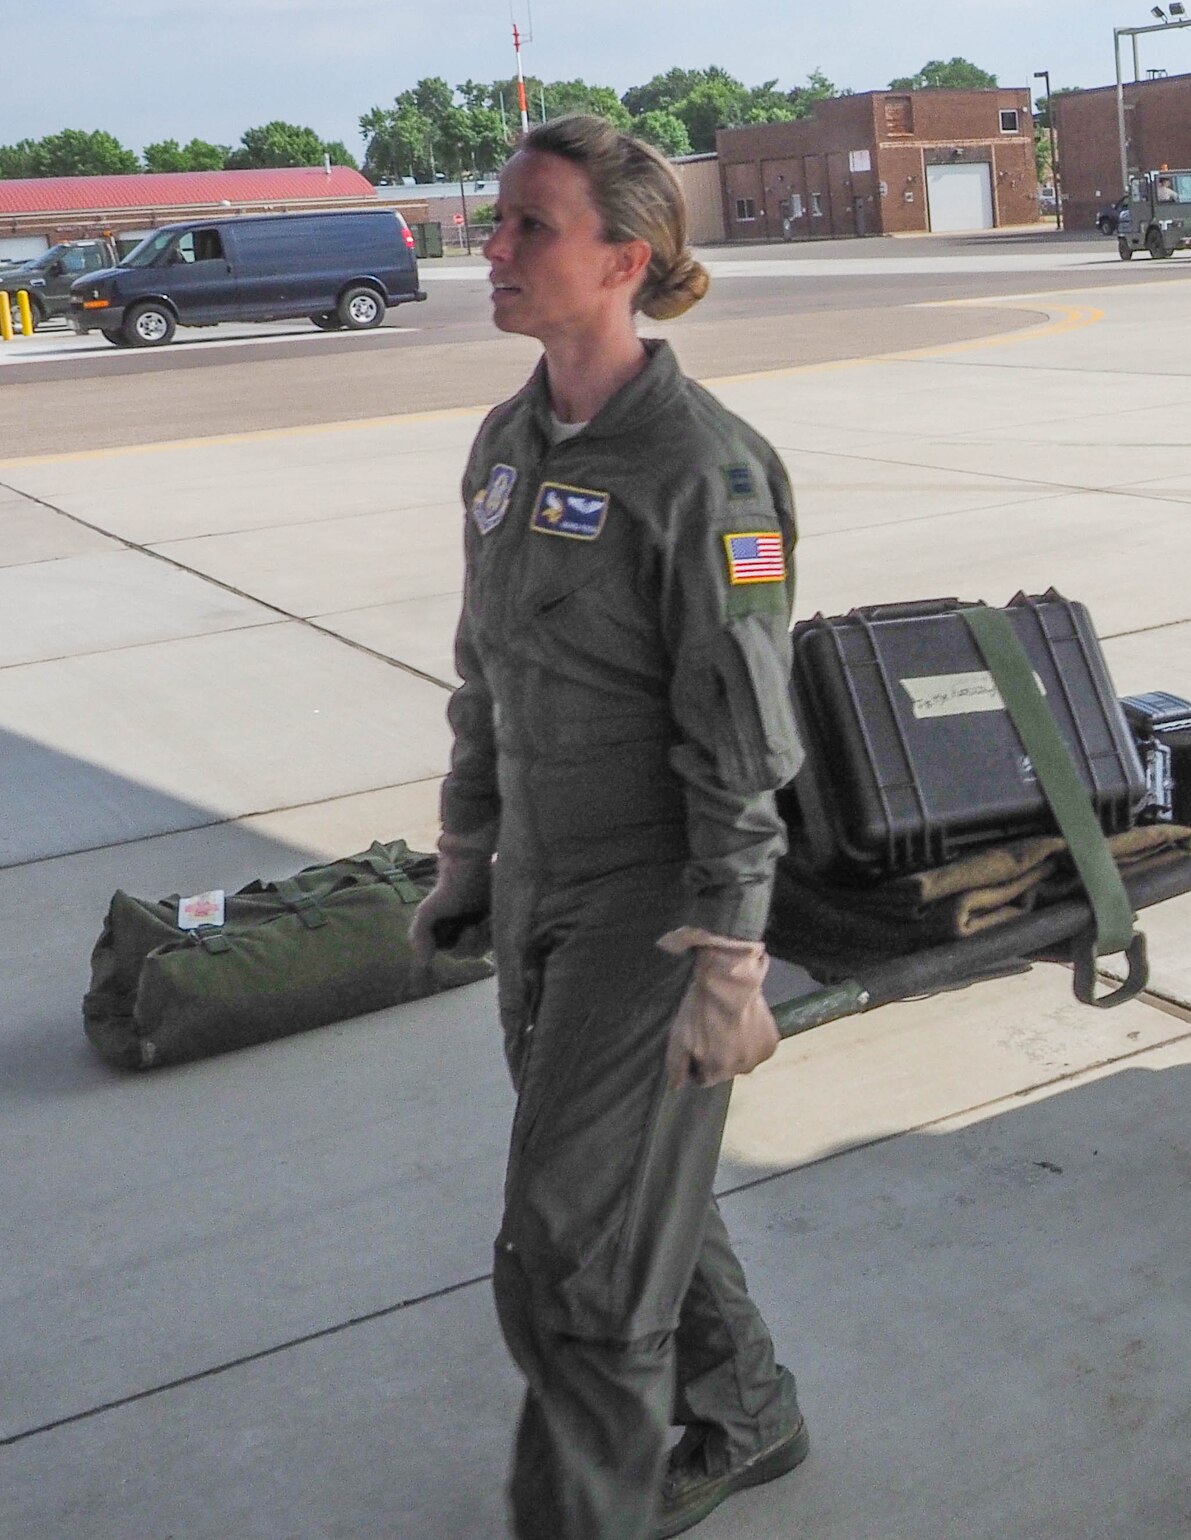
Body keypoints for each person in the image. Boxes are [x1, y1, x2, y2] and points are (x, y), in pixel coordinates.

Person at [408, 113, 810, 1537]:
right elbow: (489, 672)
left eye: (530, 226)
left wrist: (729, 962)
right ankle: (748, 1410)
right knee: (630, 1183)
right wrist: (467, 855)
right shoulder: (509, 441)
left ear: (623, 258)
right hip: (539, 891)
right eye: (497, 220)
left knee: (570, 1257)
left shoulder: (705, 471)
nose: (492, 247)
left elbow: (743, 740)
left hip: (660, 905)